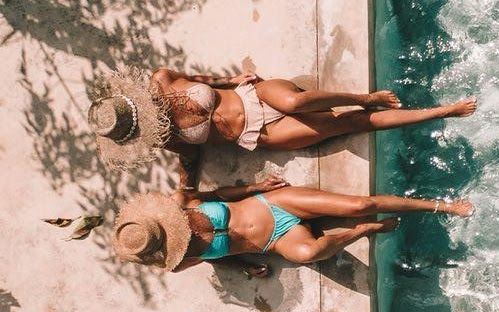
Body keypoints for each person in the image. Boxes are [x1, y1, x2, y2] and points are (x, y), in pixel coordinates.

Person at [88, 66, 476, 183]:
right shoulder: (166, 138)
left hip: (254, 96)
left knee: (296, 100)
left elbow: (205, 79)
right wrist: (186, 191)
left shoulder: (164, 78)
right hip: (259, 135)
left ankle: (364, 95)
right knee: (349, 127)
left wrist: (232, 82)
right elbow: (191, 159)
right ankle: (442, 111)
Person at [110, 177, 473, 276]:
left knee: (358, 203)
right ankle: (362, 231)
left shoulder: (182, 202)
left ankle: (442, 205)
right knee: (308, 253)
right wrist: (245, 266)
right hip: (275, 240)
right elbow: (213, 259)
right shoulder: (180, 258)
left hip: (271, 204)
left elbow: (218, 192)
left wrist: (255, 188)